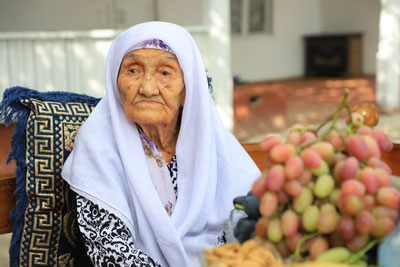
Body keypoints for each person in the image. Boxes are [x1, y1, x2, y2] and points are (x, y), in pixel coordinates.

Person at [62, 21, 261, 266]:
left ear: (187, 89)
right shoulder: (98, 144)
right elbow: (113, 255)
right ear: (116, 81)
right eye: (133, 70)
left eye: (165, 73)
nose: (147, 88)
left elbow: (254, 220)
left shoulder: (209, 139)